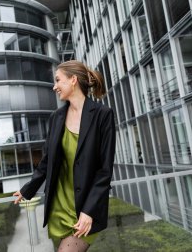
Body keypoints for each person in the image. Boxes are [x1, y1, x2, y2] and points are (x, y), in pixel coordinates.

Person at [13, 60, 116, 252]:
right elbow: (47, 161)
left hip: (83, 213)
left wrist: (89, 211)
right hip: (57, 210)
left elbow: (104, 170)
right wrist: (28, 189)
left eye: (58, 80)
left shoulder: (103, 115)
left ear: (73, 80)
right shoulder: (56, 117)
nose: (54, 87)